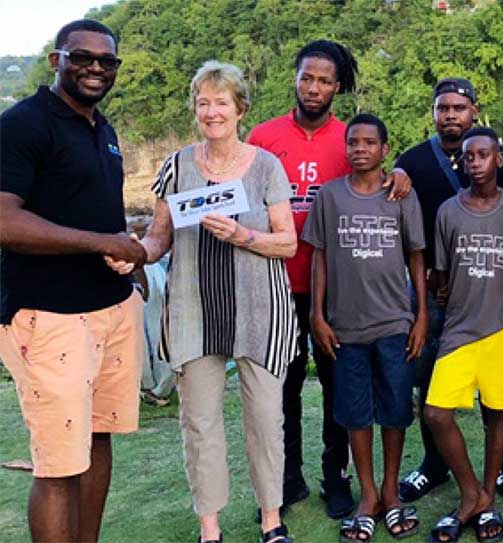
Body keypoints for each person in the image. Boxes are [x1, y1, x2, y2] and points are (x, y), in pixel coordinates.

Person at [117, 61, 299, 543]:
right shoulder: (176, 166)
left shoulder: (266, 166)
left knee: (265, 420)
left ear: (239, 109)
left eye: (221, 102)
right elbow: (159, 240)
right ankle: (209, 528)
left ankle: (271, 520)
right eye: (203, 102)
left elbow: (288, 243)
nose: (211, 111)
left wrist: (243, 234)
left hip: (260, 310)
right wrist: (133, 255)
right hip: (193, 310)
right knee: (199, 423)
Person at [248, 40, 411, 519]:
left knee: (342, 386)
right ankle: (286, 478)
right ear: (295, 78)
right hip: (274, 282)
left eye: (324, 80)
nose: (313, 87)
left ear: (337, 86)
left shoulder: (348, 140)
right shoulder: (263, 137)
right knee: (283, 385)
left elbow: (377, 177)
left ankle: (336, 476)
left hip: (335, 291)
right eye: (306, 77)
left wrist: (400, 173)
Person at [0, 19, 146, 542]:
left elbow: (94, 216)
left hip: (110, 309)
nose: (94, 68)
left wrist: (129, 259)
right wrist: (104, 243)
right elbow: (5, 222)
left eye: (106, 61)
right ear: (55, 59)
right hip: (50, 316)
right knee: (59, 464)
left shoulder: (101, 128)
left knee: (98, 441)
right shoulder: (23, 124)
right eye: (81, 57)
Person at [395, 77, 503, 504]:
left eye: (459, 107)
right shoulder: (413, 161)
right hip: (434, 286)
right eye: (443, 107)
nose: (450, 114)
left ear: (474, 111)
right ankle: (435, 464)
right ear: (433, 113)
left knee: (495, 385)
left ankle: (498, 462)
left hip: (489, 285)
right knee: (429, 378)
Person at [302, 113, 427, 542]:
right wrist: (317, 315)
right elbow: (318, 256)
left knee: (394, 411)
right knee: (356, 415)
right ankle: (368, 495)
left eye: (369, 142)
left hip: (394, 322)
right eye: (353, 142)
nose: (359, 149)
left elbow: (416, 256)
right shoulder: (330, 197)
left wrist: (421, 316)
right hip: (345, 327)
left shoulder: (400, 195)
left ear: (384, 150)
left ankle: (392, 492)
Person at [423, 127, 503, 543]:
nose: (476, 162)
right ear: (460, 162)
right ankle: (472, 494)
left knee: (497, 412)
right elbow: (441, 276)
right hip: (459, 328)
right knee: (435, 413)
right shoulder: (448, 210)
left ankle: (490, 502)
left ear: (498, 159)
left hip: (502, 326)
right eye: (469, 157)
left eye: (484, 155)